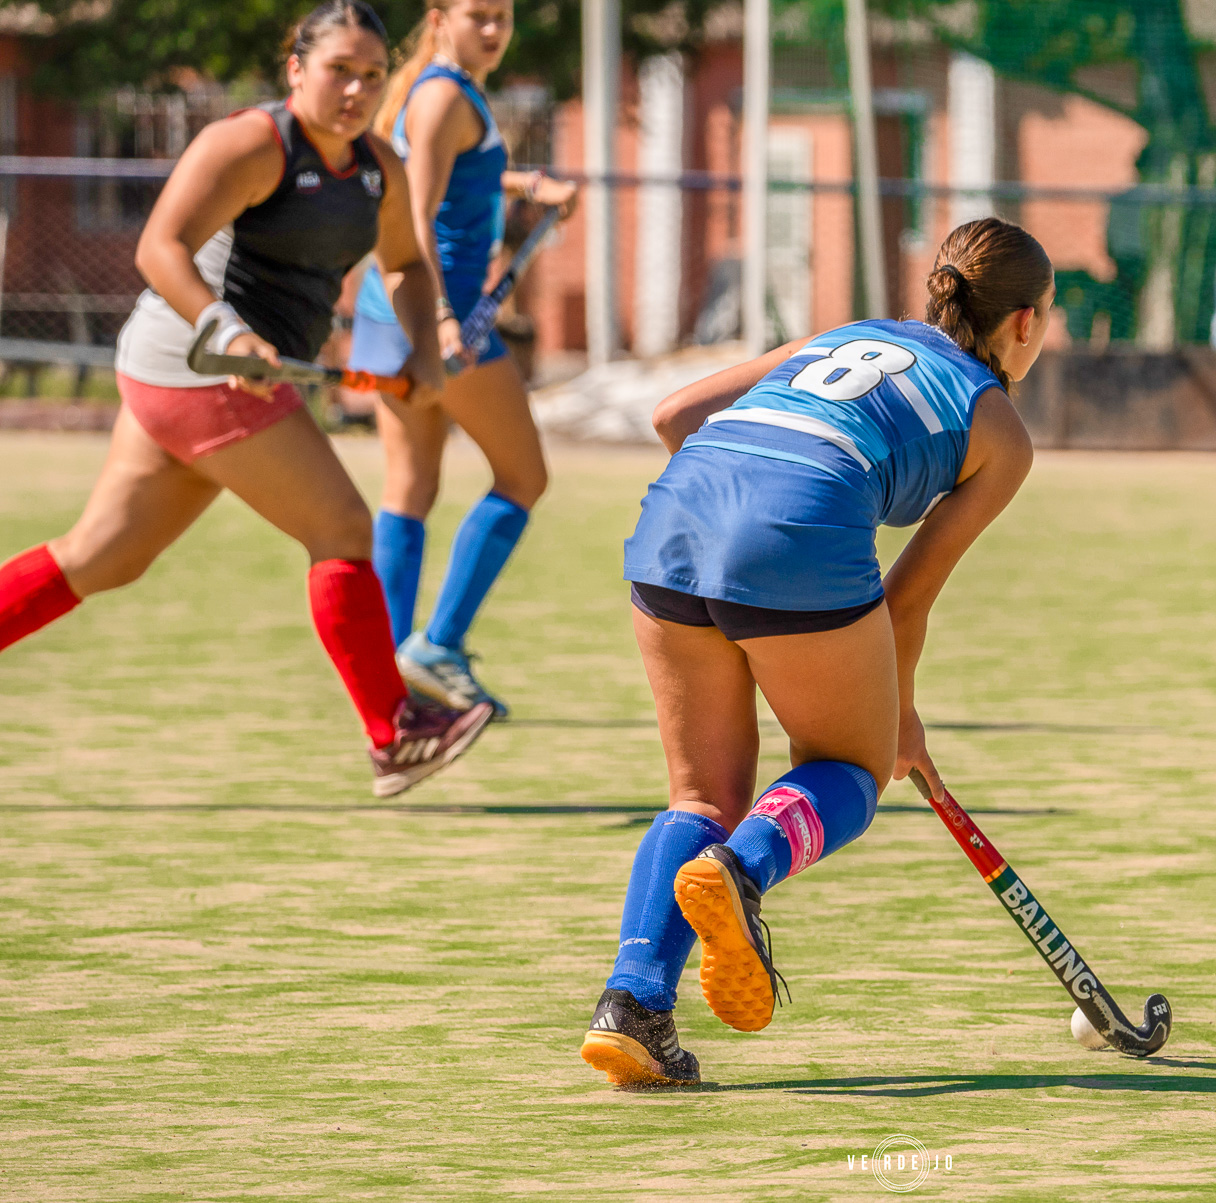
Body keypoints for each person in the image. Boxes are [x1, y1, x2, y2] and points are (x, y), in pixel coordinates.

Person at [577, 217, 1049, 1087]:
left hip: (680, 511)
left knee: (701, 791)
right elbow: (907, 596)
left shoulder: (848, 333)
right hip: (796, 525)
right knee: (847, 768)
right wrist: (894, 718)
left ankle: (633, 1005)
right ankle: (742, 869)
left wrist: (735, 513)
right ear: (1024, 321)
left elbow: (672, 412)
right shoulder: (1002, 431)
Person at [0, 0, 493, 797]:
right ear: (296, 68)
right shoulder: (251, 144)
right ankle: (393, 734)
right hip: (194, 363)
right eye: (339, 71)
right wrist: (227, 333)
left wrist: (425, 349)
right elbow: (159, 247)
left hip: (221, 372)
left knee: (101, 557)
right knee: (339, 527)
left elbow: (402, 262)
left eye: (371, 76)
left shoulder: (376, 166)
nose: (357, 90)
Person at [348, 0, 576, 719]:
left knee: (410, 486)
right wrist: (442, 316)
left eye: (503, 17)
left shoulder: (437, 89)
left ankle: (386, 684)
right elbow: (414, 211)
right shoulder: (446, 93)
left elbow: (446, 176)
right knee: (524, 475)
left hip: (386, 316)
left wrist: (525, 187)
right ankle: (437, 645)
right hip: (437, 321)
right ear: (439, 16)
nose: (494, 31)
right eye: (478, 15)